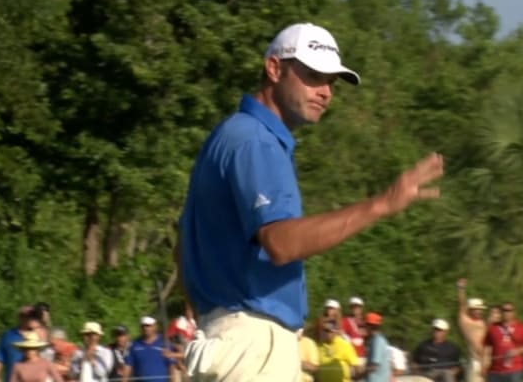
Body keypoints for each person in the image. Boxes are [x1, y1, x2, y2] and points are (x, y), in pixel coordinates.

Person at [177, 22, 444, 382]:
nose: (325, 91)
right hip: (253, 345)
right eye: (313, 75)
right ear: (274, 69)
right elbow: (282, 243)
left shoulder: (232, 134)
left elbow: (182, 248)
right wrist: (382, 204)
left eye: (331, 81)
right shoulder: (257, 141)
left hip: (230, 339)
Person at [483, 303, 523, 382]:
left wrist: (517, 351)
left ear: (514, 313)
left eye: (508, 310)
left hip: (515, 369)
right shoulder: (493, 328)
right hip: (495, 370)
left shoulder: (522, 327)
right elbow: (487, 346)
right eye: (503, 310)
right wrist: (484, 364)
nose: (506, 313)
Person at [0, 306, 39, 382]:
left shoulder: (40, 336)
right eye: (26, 316)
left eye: (32, 317)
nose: (29, 319)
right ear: (20, 317)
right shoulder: (8, 336)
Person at [124, 317, 176, 382]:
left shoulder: (165, 343)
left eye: (148, 326)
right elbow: (127, 367)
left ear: (155, 326)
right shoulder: (134, 345)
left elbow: (171, 366)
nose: (145, 328)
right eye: (143, 326)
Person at [456, 278, 488, 382]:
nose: (479, 311)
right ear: (470, 310)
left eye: (480, 309)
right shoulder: (466, 322)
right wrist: (461, 289)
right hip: (475, 361)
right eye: (476, 309)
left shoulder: (482, 322)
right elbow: (462, 305)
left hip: (488, 360)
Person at [362, 313, 391, 382]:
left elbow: (374, 366)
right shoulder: (375, 340)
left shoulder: (377, 341)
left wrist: (359, 375)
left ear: (370, 326)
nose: (364, 328)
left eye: (365, 326)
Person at [341, 297, 367, 364]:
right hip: (351, 355)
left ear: (361, 308)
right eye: (353, 307)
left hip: (364, 355)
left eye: (358, 307)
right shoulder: (345, 320)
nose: (355, 309)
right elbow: (341, 333)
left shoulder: (365, 321)